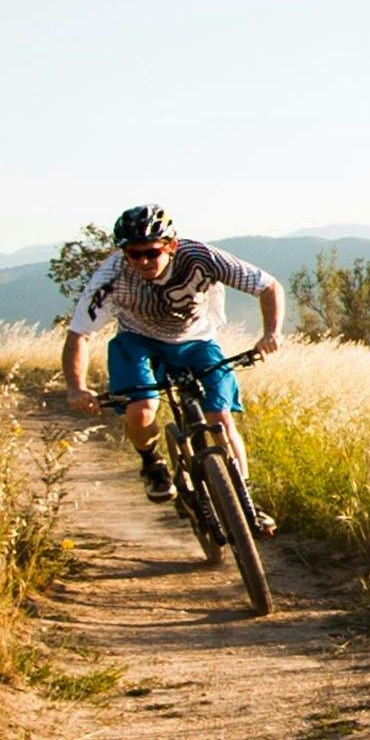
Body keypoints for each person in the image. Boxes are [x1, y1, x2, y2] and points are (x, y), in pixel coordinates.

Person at [58, 204, 288, 530]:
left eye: (151, 252)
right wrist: (76, 386)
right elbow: (78, 334)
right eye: (133, 255)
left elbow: (268, 286)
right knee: (142, 409)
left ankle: (245, 501)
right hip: (137, 341)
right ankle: (151, 463)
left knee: (219, 418)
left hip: (198, 340)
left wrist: (271, 333)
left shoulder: (201, 257)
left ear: (171, 245)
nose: (143, 262)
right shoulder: (110, 277)